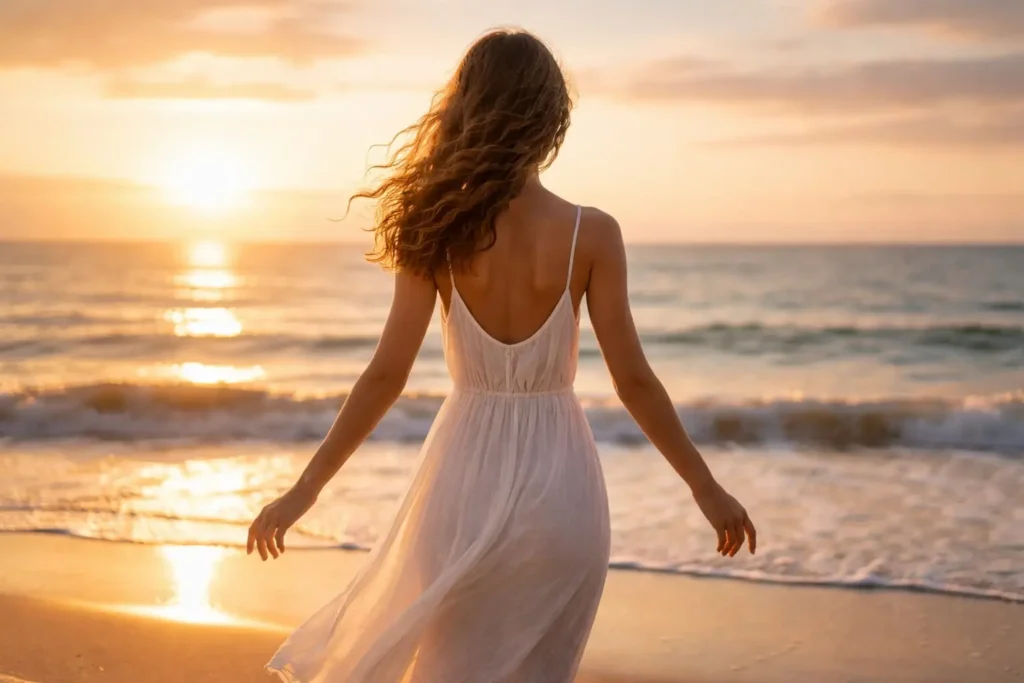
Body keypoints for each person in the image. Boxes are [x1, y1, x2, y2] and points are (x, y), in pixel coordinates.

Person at [248, 27, 755, 683]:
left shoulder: (434, 229)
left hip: (461, 482)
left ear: (465, 111)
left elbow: (384, 375)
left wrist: (303, 490)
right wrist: (705, 487)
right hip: (563, 493)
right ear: (550, 117)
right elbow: (634, 379)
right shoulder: (592, 233)